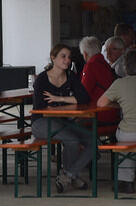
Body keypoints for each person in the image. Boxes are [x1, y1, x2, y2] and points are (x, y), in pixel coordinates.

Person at [97, 49, 136, 194]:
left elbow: (101, 103)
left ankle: (126, 181)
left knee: (123, 138)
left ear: (125, 66)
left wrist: (119, 104)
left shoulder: (119, 84)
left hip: (131, 133)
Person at [31, 43, 93, 193]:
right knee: (72, 140)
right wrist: (71, 100)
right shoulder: (42, 80)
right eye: (63, 56)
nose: (67, 60)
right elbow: (40, 107)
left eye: (69, 57)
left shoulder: (71, 77)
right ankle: (72, 177)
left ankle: (68, 175)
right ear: (53, 58)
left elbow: (84, 98)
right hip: (42, 122)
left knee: (92, 142)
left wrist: (61, 99)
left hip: (63, 121)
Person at [80, 35, 116, 104]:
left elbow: (84, 92)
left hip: (97, 110)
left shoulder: (90, 66)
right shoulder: (105, 64)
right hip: (110, 107)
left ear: (85, 54)